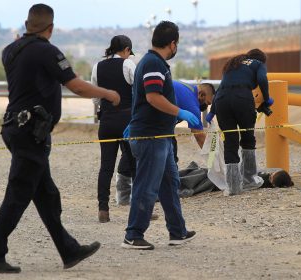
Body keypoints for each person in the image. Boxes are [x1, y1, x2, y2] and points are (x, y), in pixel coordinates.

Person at [0, 4, 120, 273]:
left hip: (17, 127)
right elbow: (75, 85)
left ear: (27, 23)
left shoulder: (11, 49)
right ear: (50, 28)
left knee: (46, 194)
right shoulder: (46, 51)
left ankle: (69, 250)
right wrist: (109, 94)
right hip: (31, 132)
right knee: (18, 193)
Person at [121, 21, 197, 250]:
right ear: (172, 43)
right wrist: (179, 111)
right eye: (177, 44)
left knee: (169, 184)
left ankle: (177, 231)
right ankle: (133, 234)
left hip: (160, 136)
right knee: (146, 187)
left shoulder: (155, 62)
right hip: (150, 138)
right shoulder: (154, 63)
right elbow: (153, 97)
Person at [212, 48, 273, 195]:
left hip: (221, 101)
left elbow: (221, 88)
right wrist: (266, 98)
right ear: (261, 59)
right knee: (247, 138)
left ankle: (233, 187)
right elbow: (263, 80)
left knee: (230, 141)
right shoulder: (258, 64)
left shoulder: (232, 64)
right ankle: (249, 179)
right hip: (242, 99)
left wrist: (212, 111)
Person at [91, 35, 137, 223]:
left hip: (107, 120)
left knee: (106, 166)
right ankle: (141, 209)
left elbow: (95, 96)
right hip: (127, 120)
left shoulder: (97, 66)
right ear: (126, 50)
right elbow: (139, 90)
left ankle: (103, 209)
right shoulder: (128, 65)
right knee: (135, 164)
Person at [172, 80, 215, 162]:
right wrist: (212, 160)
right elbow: (200, 136)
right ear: (201, 94)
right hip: (153, 123)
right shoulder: (193, 105)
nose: (206, 107)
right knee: (170, 155)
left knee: (171, 150)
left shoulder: (189, 88)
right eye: (207, 103)